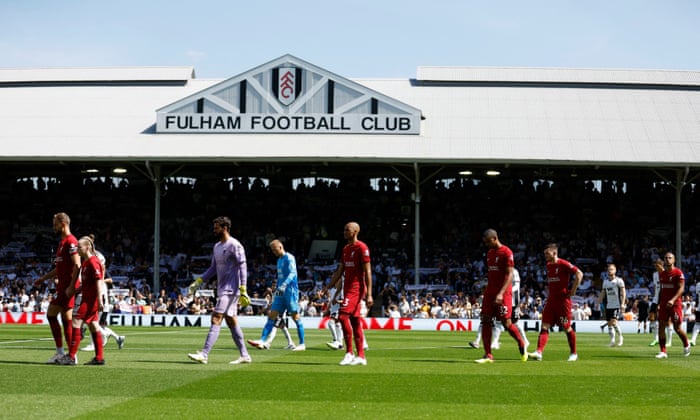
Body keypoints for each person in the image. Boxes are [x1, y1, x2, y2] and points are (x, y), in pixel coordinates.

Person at [187, 216, 252, 365]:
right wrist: (199, 281)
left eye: (216, 227)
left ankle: (204, 354)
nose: (214, 229)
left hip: (232, 289)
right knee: (231, 321)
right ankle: (245, 355)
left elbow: (243, 265)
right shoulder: (216, 247)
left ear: (225, 228)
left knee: (216, 317)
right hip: (222, 288)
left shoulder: (234, 245)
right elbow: (213, 268)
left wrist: (243, 288)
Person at [34, 212, 81, 364]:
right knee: (66, 318)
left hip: (67, 288)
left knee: (51, 314)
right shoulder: (62, 243)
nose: (53, 227)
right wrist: (43, 278)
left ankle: (62, 353)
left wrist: (71, 286)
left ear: (63, 224)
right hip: (64, 286)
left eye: (55, 224)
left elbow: (77, 265)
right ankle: (70, 355)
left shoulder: (71, 241)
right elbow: (59, 269)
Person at [323, 222, 373, 366]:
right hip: (347, 289)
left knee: (342, 316)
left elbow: (368, 272)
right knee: (355, 321)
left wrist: (369, 294)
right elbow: (340, 271)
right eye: (344, 229)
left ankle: (349, 353)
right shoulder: (346, 249)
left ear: (355, 231)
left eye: (347, 230)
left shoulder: (362, 248)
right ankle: (361, 357)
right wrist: (328, 287)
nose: (344, 232)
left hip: (356, 289)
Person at [475, 229, 528, 364]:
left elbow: (510, 274)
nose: (486, 244)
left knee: (507, 323)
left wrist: (500, 293)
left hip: (503, 293)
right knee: (485, 320)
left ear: (494, 238)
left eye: (488, 241)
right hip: (490, 292)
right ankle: (488, 355)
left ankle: (521, 343)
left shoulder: (506, 252)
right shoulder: (490, 253)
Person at [248, 239, 306, 351]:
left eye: (275, 250)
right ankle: (262, 340)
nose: (274, 252)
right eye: (272, 251)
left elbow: (293, 273)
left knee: (295, 316)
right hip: (280, 291)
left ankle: (302, 344)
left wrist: (284, 285)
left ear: (280, 247)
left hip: (290, 291)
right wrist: (278, 290)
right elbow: (280, 277)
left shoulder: (289, 258)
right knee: (272, 315)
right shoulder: (279, 260)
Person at [528, 243, 583, 362]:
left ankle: (573, 353)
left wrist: (573, 290)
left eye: (547, 254)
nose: (545, 256)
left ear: (554, 253)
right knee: (544, 326)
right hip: (551, 302)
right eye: (544, 254)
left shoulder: (563, 264)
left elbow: (579, 274)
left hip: (563, 303)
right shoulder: (548, 265)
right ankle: (539, 352)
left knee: (566, 327)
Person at [58, 236, 108, 365]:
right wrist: (74, 290)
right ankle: (99, 358)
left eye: (79, 247)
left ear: (87, 247)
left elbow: (99, 282)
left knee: (75, 322)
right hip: (88, 298)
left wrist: (101, 300)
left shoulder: (93, 262)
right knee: (93, 325)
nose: (77, 249)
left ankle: (71, 356)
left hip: (91, 300)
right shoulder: (85, 262)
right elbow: (87, 284)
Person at [82, 235, 125, 352]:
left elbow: (105, 278)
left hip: (100, 295)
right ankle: (117, 338)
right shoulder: (91, 259)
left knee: (92, 321)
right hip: (99, 294)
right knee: (97, 323)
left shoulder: (96, 260)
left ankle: (94, 343)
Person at [470, 268, 528, 350]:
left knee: (514, 321)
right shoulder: (498, 270)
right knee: (489, 319)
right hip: (499, 297)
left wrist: (503, 291)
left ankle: (525, 341)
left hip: (512, 299)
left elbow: (516, 287)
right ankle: (485, 341)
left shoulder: (514, 272)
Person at [654, 252, 691, 359]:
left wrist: (672, 300)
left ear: (674, 260)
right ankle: (663, 351)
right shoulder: (662, 274)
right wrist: (658, 303)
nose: (667, 260)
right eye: (666, 258)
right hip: (664, 304)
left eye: (670, 258)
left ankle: (686, 344)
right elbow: (662, 289)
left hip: (675, 304)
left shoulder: (678, 273)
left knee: (677, 328)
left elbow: (681, 289)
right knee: (661, 326)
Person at [598, 264, 626, 347]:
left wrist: (622, 304)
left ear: (615, 270)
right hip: (608, 305)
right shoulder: (605, 282)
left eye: (612, 269)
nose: (610, 271)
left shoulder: (619, 281)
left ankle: (621, 337)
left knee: (614, 322)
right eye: (609, 269)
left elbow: (623, 293)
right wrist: (599, 299)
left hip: (616, 304)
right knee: (609, 324)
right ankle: (612, 341)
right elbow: (603, 292)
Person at [649, 259, 674, 346]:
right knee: (651, 318)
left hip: (665, 299)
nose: (656, 268)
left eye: (657, 266)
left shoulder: (667, 273)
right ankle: (656, 339)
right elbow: (656, 286)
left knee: (667, 321)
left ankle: (669, 342)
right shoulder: (655, 274)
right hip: (656, 298)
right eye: (655, 266)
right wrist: (655, 298)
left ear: (661, 265)